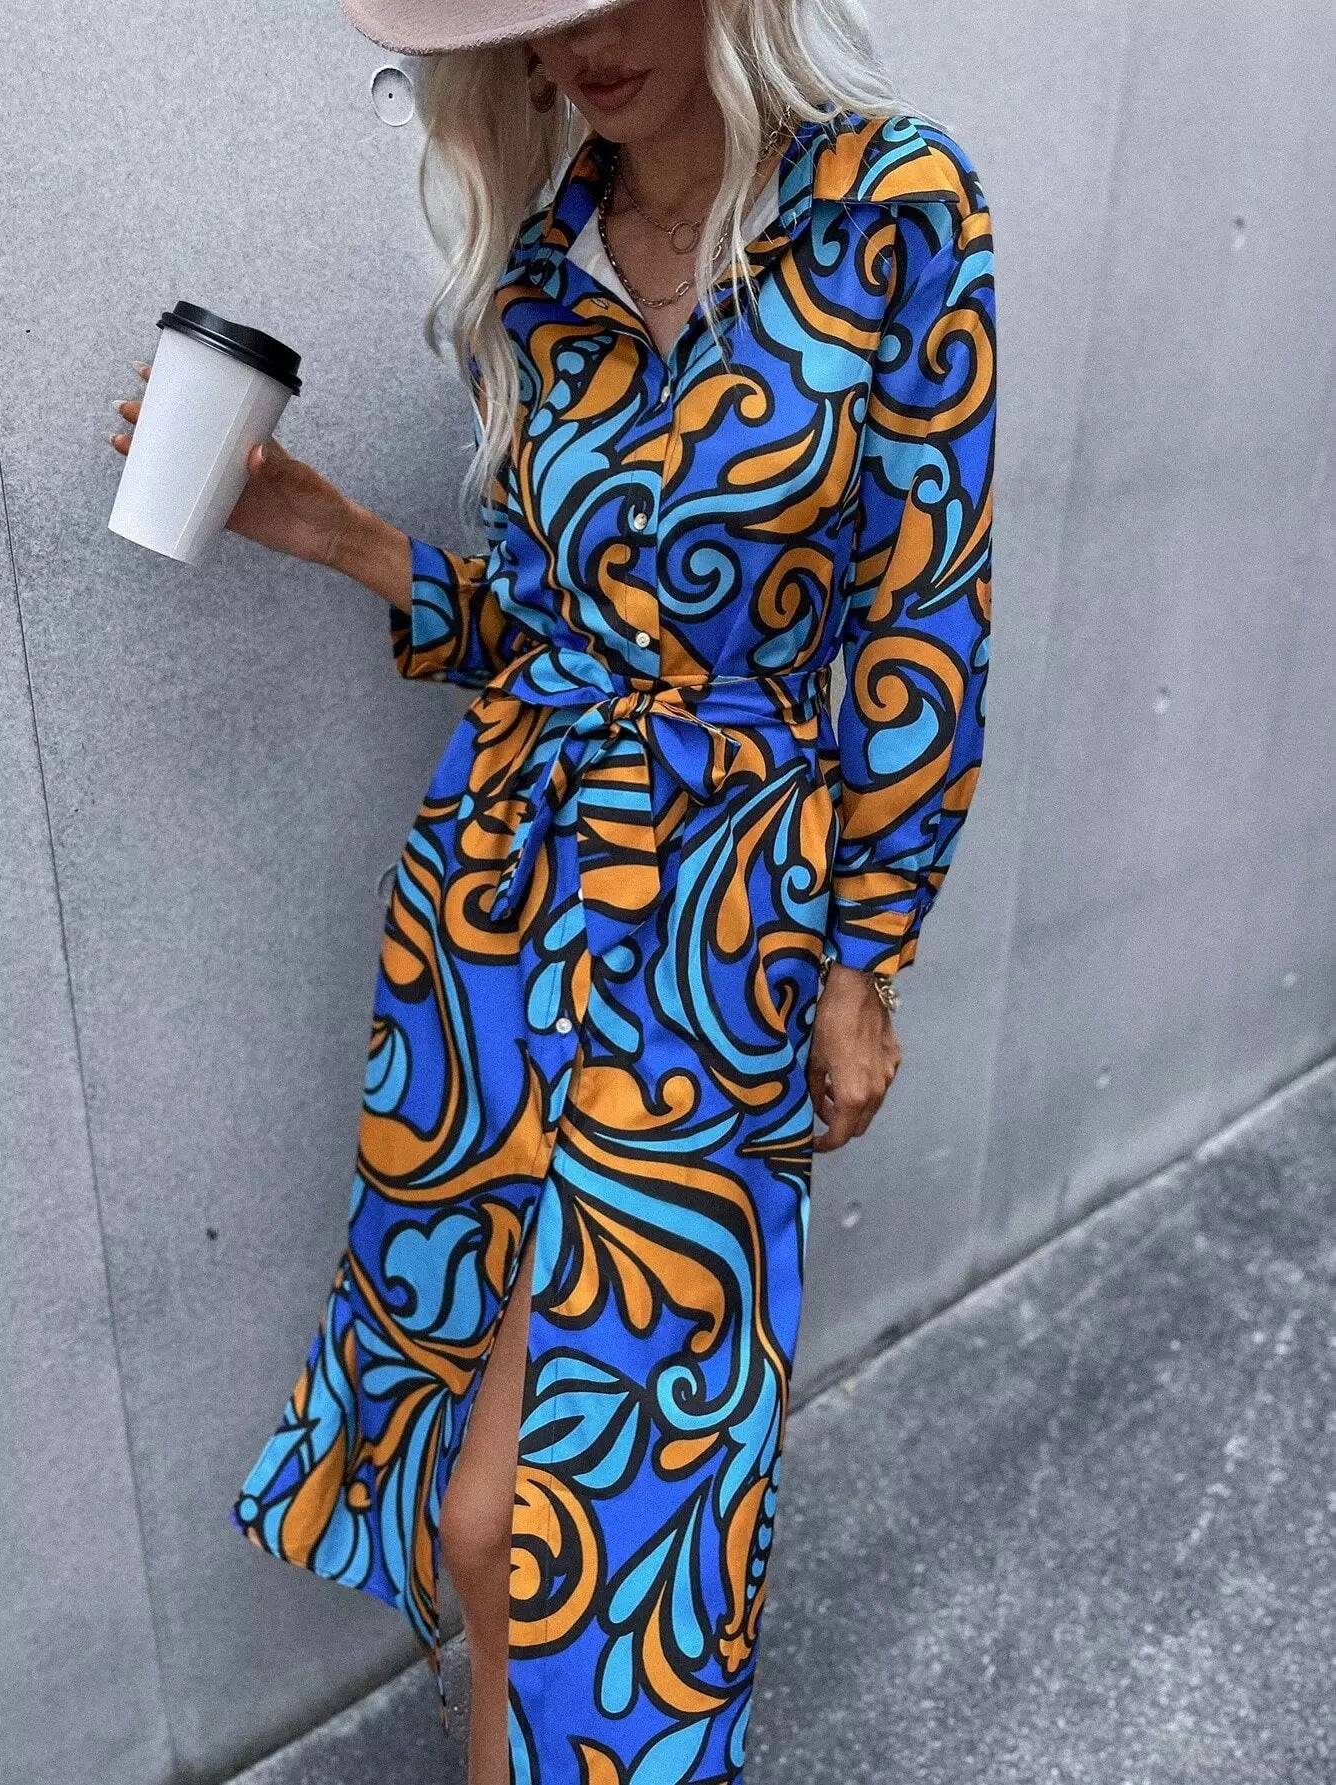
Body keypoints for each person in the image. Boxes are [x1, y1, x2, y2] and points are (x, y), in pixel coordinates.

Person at [109, 1, 995, 1779]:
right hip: (500, 919)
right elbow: (556, 636)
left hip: (718, 944)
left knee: (569, 1510)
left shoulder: (895, 206)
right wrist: (339, 534)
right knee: (483, 1517)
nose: (583, 41)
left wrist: (866, 958)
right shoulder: (538, 268)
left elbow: (925, 616)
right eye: (534, 12)